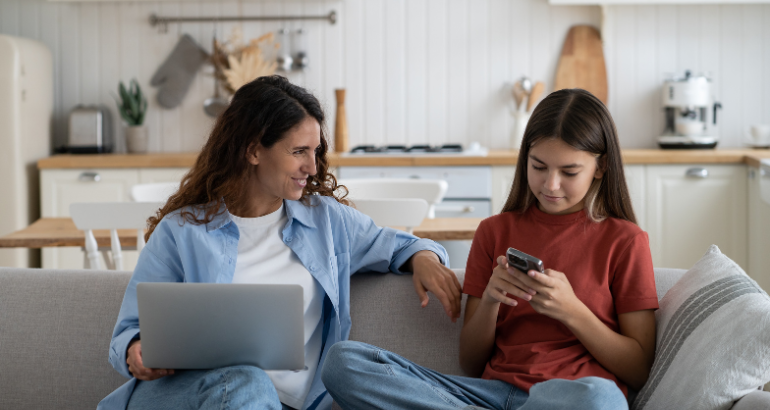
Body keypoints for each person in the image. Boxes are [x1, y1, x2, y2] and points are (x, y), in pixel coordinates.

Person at [97, 75, 463, 410]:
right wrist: (136, 351)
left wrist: (425, 258)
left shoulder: (327, 221)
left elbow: (396, 244)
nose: (313, 167)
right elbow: (128, 332)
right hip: (195, 395)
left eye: (315, 151)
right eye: (299, 152)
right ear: (254, 151)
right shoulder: (182, 231)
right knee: (245, 381)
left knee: (252, 387)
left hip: (285, 403)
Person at [321, 88, 659, 410]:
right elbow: (470, 362)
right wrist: (492, 301)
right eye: (538, 166)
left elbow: (638, 369)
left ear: (600, 167)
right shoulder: (495, 231)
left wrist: (572, 310)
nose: (550, 184)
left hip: (567, 399)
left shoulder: (625, 241)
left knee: (603, 400)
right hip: (488, 395)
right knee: (342, 363)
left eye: (569, 171)